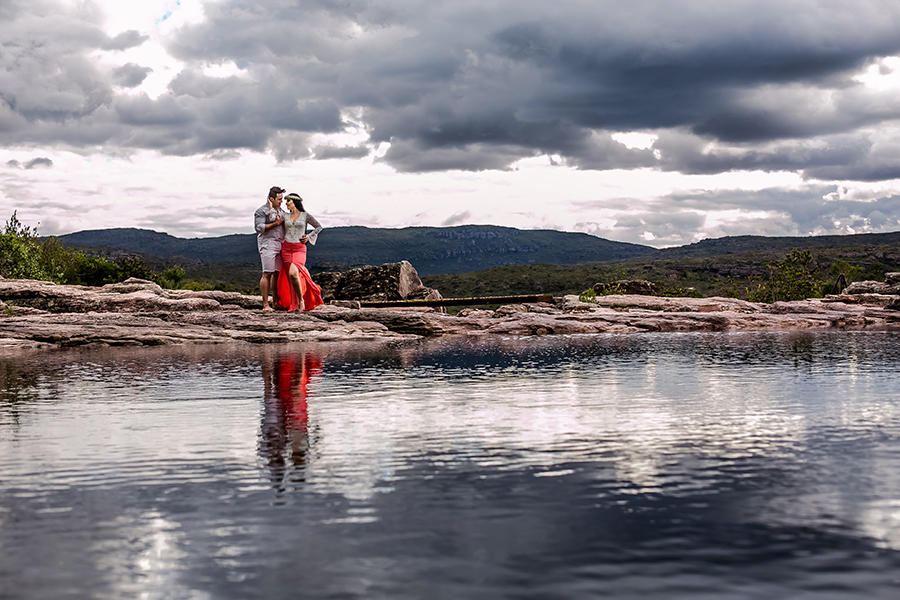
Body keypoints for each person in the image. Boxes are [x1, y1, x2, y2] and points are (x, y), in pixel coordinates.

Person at [276, 192, 324, 312]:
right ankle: (293, 302)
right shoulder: (285, 216)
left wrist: (308, 237)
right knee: (290, 277)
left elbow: (318, 227)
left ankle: (301, 300)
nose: (286, 203)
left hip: (299, 249)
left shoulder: (305, 215)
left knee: (293, 273)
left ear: (294, 202)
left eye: (288, 201)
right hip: (286, 248)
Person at [254, 186, 286, 311]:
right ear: (271, 199)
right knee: (267, 273)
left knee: (277, 273)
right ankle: (265, 304)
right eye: (279, 199)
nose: (281, 201)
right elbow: (259, 227)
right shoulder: (261, 211)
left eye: (282, 199)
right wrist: (275, 224)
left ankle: (276, 302)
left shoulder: (281, 211)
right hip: (267, 243)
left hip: (280, 243)